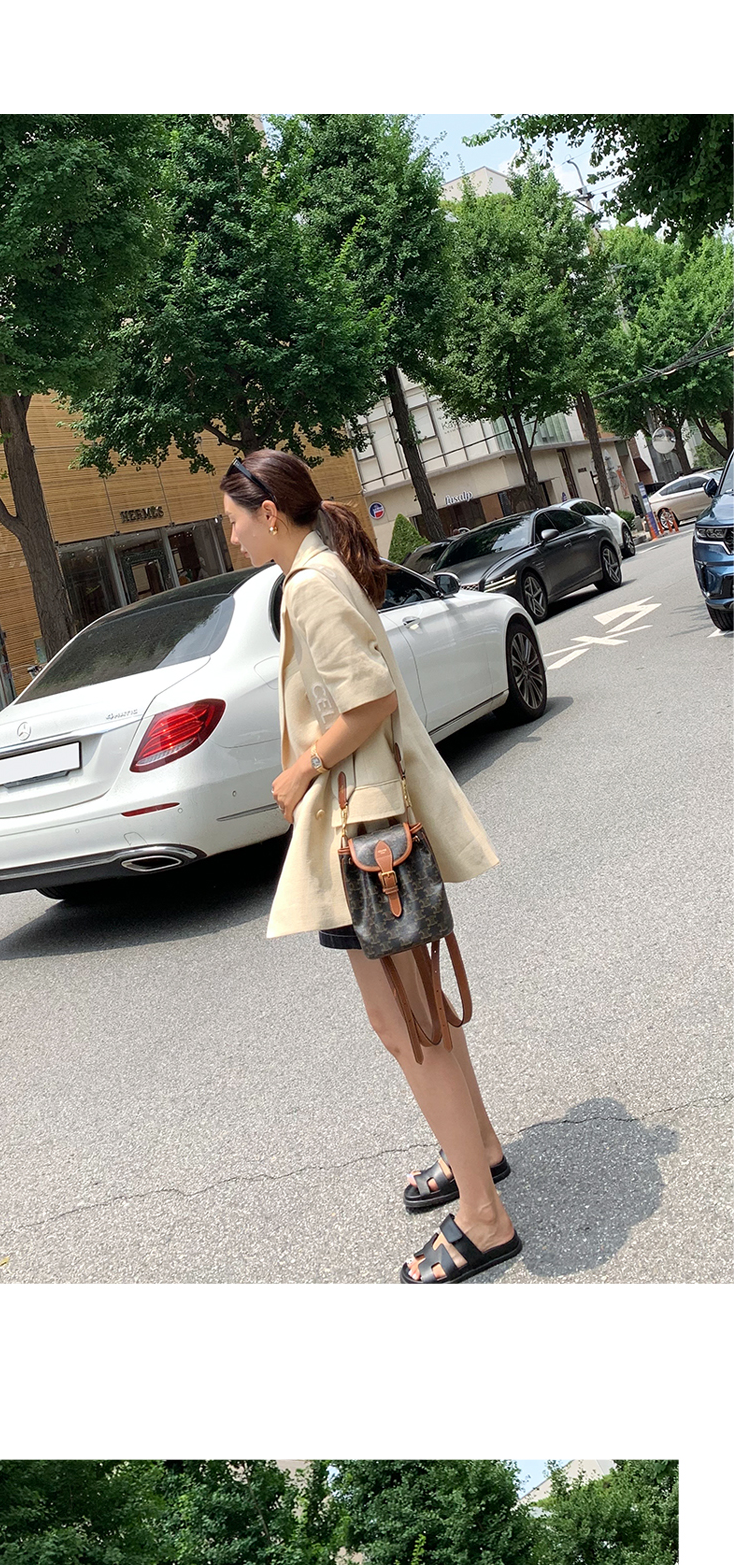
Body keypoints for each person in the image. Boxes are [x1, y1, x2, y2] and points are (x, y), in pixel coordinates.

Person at [219, 448, 523, 1283]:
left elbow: (369, 701)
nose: (233, 538)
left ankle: (484, 1217)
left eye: (235, 523)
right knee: (421, 1014)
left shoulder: (310, 586)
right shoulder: (316, 575)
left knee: (405, 1025)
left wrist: (301, 769)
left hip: (365, 832)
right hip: (370, 821)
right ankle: (478, 1153)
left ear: (269, 514)